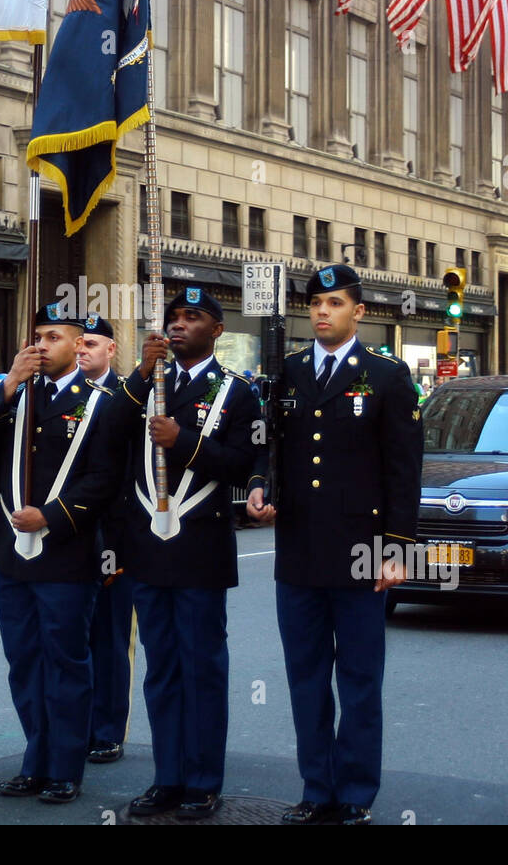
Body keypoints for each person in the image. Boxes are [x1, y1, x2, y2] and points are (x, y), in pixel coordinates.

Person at [247, 264, 422, 825]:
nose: (322, 312)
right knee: (305, 676)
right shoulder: (289, 372)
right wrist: (258, 485)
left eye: (335, 304)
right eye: (317, 303)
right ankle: (316, 787)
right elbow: (266, 444)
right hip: (299, 549)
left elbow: (404, 471)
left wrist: (399, 549)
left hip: (364, 549)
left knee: (360, 677)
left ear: (359, 312)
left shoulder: (387, 376)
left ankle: (355, 793)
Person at [113, 287, 259, 819]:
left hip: (199, 547)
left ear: (217, 330)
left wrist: (184, 439)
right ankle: (167, 777)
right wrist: (137, 375)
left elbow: (241, 463)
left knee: (201, 668)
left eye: (192, 318)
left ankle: (202, 780)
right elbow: (106, 434)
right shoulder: (147, 385)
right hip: (149, 547)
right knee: (161, 670)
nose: (178, 325)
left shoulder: (238, 392)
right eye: (173, 318)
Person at [0, 302, 119, 804]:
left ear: (79, 346)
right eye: (36, 336)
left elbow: (103, 480)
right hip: (13, 557)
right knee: (24, 661)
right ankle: (36, 758)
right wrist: (9, 382)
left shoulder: (98, 403)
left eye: (53, 336)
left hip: (66, 555)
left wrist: (52, 517)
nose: (41, 345)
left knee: (66, 661)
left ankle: (65, 766)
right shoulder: (11, 396)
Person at [75, 313, 135, 766]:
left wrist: (120, 546)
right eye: (79, 343)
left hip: (112, 536)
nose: (82, 350)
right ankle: (75, 725)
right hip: (69, 535)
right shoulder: (63, 395)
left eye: (91, 344)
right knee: (73, 640)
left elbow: (127, 478)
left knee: (110, 639)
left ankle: (108, 730)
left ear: (110, 350)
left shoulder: (125, 397)